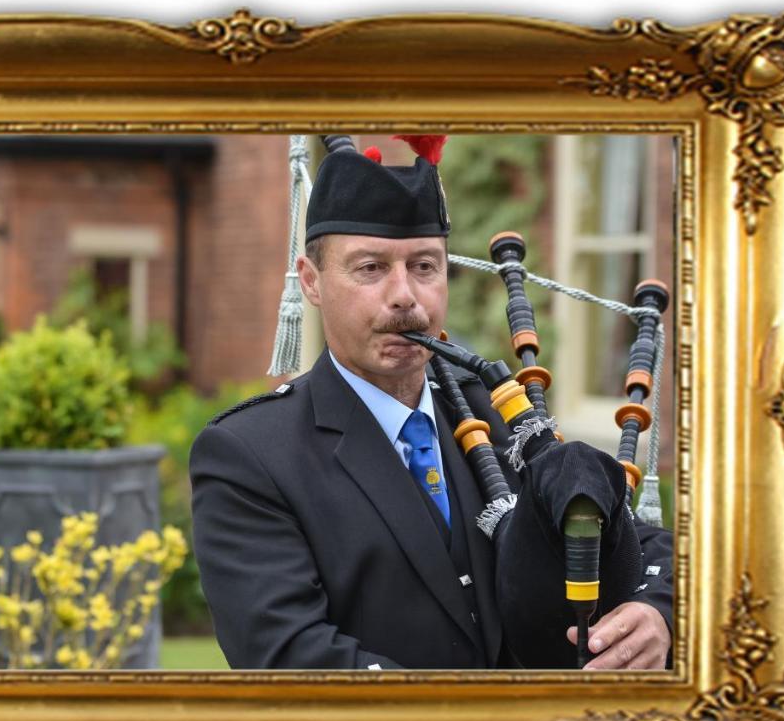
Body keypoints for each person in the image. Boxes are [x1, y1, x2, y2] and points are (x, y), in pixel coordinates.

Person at [189, 135, 673, 670]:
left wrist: (654, 614)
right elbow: (289, 656)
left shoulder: (493, 415)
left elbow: (639, 540)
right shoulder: (250, 455)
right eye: (370, 268)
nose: (404, 296)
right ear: (312, 281)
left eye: (424, 267)